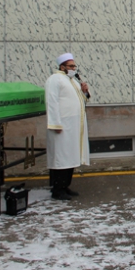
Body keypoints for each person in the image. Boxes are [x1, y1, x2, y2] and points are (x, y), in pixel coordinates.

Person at [45, 53, 91, 200]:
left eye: (74, 66)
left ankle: (65, 186)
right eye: (71, 66)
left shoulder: (72, 81)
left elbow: (81, 100)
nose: (73, 68)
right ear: (62, 66)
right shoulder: (55, 79)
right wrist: (55, 123)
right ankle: (57, 189)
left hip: (73, 126)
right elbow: (51, 102)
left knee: (70, 157)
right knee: (61, 157)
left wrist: (84, 91)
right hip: (62, 126)